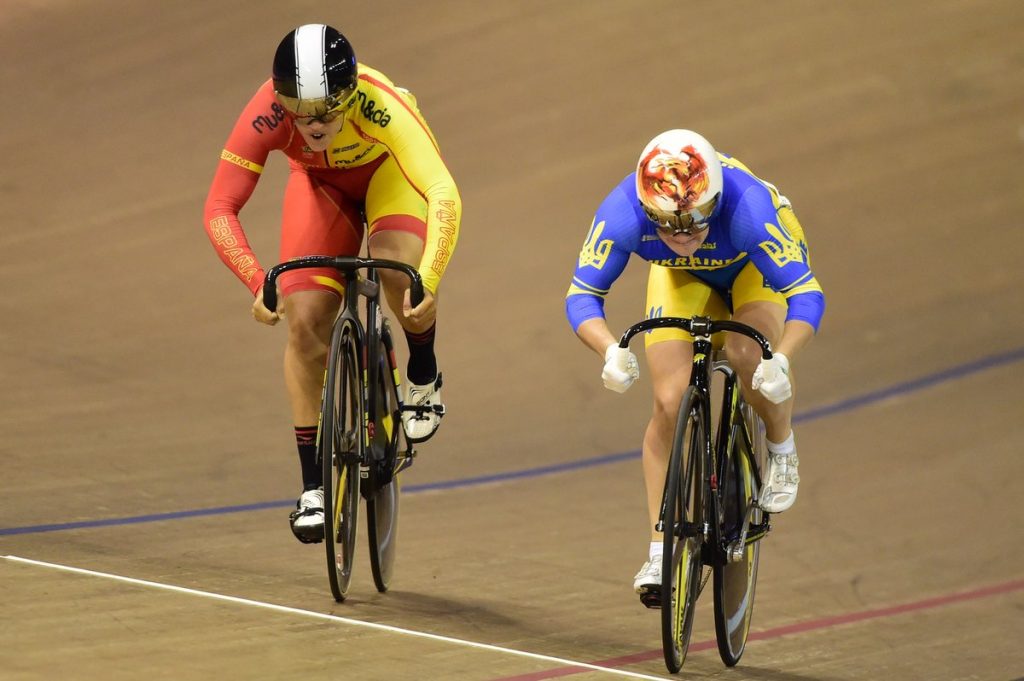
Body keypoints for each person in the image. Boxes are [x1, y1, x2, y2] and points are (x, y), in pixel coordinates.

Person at [203, 23, 460, 544]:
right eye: (301, 113)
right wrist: (257, 280)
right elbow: (219, 207)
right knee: (304, 324)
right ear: (282, 102)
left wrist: (428, 281)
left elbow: (442, 194)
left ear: (350, 94)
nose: (315, 124)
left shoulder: (380, 104)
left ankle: (423, 372)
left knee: (398, 274)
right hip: (318, 184)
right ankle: (313, 488)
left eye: (326, 111)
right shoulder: (265, 112)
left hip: (388, 175)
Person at [565, 129, 824, 600]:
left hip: (752, 271)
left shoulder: (750, 211)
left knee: (749, 355)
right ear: (646, 210)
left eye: (695, 221)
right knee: (669, 400)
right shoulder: (622, 212)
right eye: (666, 225)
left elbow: (806, 295)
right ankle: (659, 551)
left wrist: (782, 359)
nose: (682, 235)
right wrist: (608, 350)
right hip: (681, 279)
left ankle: (782, 448)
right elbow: (582, 295)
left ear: (716, 202)